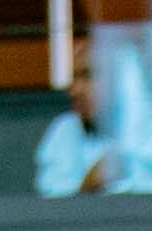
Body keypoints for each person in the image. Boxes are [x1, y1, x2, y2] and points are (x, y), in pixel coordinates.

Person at [35, 40, 106, 198]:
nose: (74, 91)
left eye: (88, 76)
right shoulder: (65, 131)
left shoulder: (150, 129)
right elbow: (56, 206)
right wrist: (93, 180)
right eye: (73, 78)